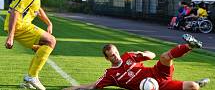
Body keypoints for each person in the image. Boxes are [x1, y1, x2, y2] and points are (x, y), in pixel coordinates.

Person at [64, 34, 210, 90]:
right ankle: (198, 83)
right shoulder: (111, 74)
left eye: (115, 53)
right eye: (112, 56)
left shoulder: (129, 56)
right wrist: (71, 89)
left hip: (157, 73)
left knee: (165, 57)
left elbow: (152, 55)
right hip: (158, 87)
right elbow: (93, 86)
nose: (116, 56)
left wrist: (143, 54)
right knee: (193, 86)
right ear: (107, 59)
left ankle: (190, 45)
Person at [4, 0, 56, 90]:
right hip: (18, 25)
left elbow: (37, 9)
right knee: (51, 41)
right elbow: (15, 12)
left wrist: (49, 22)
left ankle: (28, 80)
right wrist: (11, 36)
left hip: (21, 24)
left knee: (42, 48)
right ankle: (32, 77)